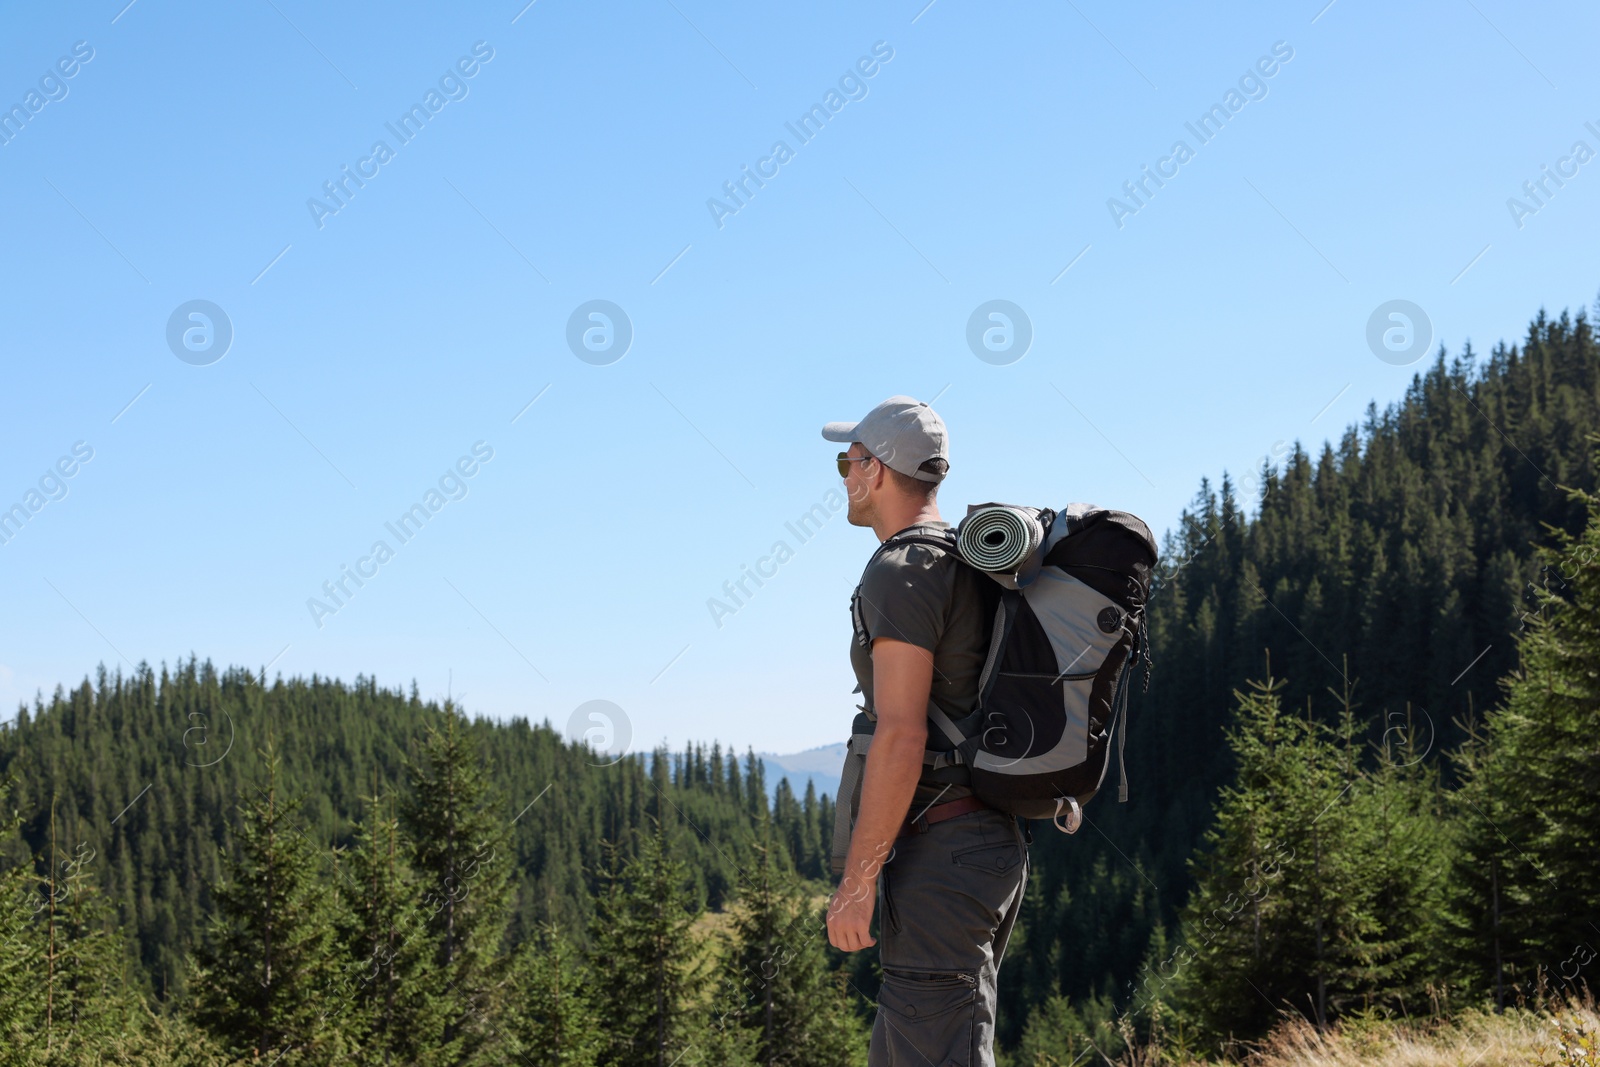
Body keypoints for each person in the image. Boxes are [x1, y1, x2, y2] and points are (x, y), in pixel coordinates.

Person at [821, 395, 1029, 1067]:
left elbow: (902, 735)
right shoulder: (965, 561)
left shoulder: (903, 570)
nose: (844, 475)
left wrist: (857, 884)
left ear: (875, 470)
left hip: (943, 855)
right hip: (980, 842)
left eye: (847, 460)